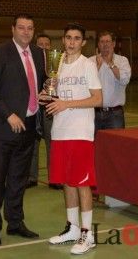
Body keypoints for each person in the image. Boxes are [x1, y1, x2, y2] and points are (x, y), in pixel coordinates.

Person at [0, 13, 46, 246]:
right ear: (12, 30)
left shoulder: (38, 53)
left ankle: (15, 222)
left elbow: (38, 84)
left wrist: (45, 94)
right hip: (2, 129)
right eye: (21, 28)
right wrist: (8, 114)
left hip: (28, 128)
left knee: (18, 178)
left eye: (30, 28)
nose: (26, 32)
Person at [43, 22, 102, 255]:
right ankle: (73, 228)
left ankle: (88, 234)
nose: (71, 42)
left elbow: (97, 99)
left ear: (83, 42)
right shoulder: (58, 65)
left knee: (82, 183)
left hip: (80, 133)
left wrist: (67, 104)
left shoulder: (87, 65)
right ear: (63, 40)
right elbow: (55, 96)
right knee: (67, 181)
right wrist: (46, 94)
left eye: (77, 38)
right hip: (60, 132)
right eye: (68, 37)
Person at [27, 33, 61, 189]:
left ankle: (54, 178)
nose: (43, 47)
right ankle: (31, 177)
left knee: (52, 143)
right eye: (40, 44)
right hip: (33, 108)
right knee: (32, 143)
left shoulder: (57, 64)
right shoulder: (29, 62)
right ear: (35, 46)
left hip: (49, 107)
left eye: (46, 44)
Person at [89, 30, 131, 131]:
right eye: (102, 42)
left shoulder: (122, 61)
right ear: (98, 44)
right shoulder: (90, 61)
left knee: (116, 146)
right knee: (94, 145)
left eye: (107, 41)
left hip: (115, 114)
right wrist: (98, 67)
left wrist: (111, 63)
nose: (105, 44)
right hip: (94, 113)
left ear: (113, 43)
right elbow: (86, 85)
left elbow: (125, 80)